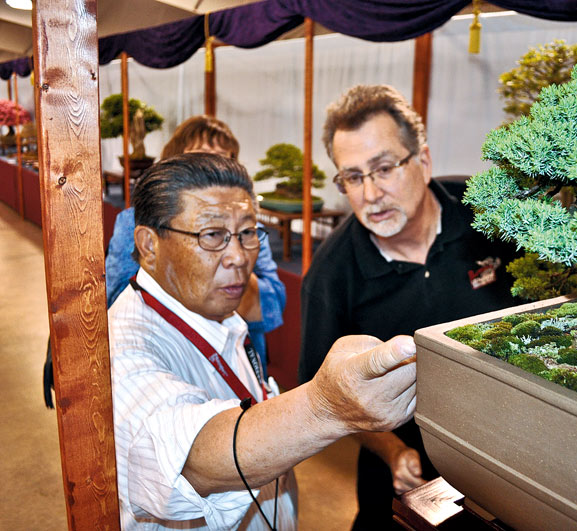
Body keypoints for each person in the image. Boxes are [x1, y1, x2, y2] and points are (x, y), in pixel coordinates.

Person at [109, 153, 417, 530]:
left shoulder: (215, 308)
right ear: (149, 244)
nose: (238, 257)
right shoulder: (123, 346)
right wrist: (327, 406)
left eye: (248, 232)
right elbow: (190, 459)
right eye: (212, 236)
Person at [297, 84, 519, 528]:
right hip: (404, 477)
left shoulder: (490, 216)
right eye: (353, 177)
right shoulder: (331, 274)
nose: (371, 193)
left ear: (424, 160)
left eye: (383, 168)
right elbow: (325, 396)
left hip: (510, 456)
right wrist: (392, 450)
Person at [104, 115, 285, 366]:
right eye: (199, 158)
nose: (212, 169)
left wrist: (230, 257)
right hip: (172, 354)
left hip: (241, 358)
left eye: (224, 159)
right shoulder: (134, 223)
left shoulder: (250, 230)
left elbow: (273, 306)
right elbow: (116, 297)